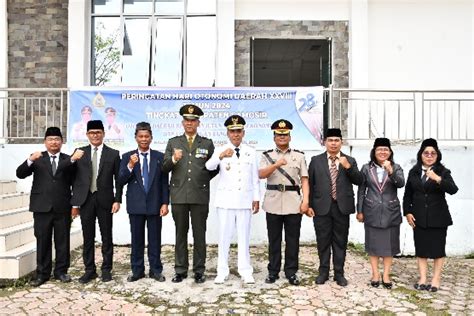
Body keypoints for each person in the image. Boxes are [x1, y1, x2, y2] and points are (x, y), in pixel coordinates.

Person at [16, 127, 84, 287]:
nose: (54, 142)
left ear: (62, 141)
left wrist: (75, 204)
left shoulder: (70, 159)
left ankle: (61, 271)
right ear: (45, 142)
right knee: (43, 240)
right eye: (50, 139)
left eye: (57, 139)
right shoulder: (38, 158)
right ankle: (42, 274)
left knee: (62, 241)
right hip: (41, 207)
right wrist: (30, 160)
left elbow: (76, 183)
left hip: (63, 207)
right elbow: (20, 173)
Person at [162, 104, 216, 284]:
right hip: (179, 195)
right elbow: (164, 168)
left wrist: (203, 179)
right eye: (187, 120)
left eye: (193, 120)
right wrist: (173, 159)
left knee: (199, 234)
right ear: (182, 122)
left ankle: (199, 270)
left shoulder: (207, 143)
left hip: (200, 195)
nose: (190, 123)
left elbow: (214, 167)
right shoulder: (173, 142)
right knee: (180, 233)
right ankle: (180, 269)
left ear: (198, 123)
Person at [205, 115, 260, 284]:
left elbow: (255, 178)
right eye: (232, 131)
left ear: (243, 133)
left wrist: (256, 198)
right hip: (226, 201)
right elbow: (208, 167)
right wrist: (221, 155)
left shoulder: (250, 152)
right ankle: (222, 271)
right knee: (224, 237)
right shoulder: (220, 149)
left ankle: (245, 270)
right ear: (227, 133)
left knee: (244, 236)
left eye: (238, 131)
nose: (235, 134)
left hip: (244, 200)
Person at [308, 128, 363, 286]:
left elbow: (359, 180)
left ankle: (339, 273)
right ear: (325, 142)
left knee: (340, 241)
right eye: (330, 140)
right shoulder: (316, 160)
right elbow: (311, 184)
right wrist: (309, 205)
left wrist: (348, 167)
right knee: (323, 241)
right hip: (321, 207)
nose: (333, 143)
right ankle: (323, 272)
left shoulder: (349, 160)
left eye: (336, 140)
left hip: (341, 207)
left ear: (341, 142)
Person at [258, 119, 310, 286]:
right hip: (273, 201)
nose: (282, 137)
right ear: (274, 137)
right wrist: (277, 164)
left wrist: (306, 201)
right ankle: (273, 271)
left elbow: (304, 180)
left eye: (285, 134)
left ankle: (291, 271)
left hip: (293, 202)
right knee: (274, 239)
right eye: (279, 135)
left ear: (289, 136)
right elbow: (261, 174)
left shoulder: (299, 156)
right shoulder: (267, 156)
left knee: (292, 239)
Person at [403, 138, 458, 292]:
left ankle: (436, 279)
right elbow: (408, 195)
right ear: (421, 154)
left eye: (433, 153)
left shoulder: (443, 172)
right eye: (426, 152)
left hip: (438, 217)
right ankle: (422, 278)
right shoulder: (413, 172)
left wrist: (438, 179)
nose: (429, 155)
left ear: (437, 155)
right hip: (418, 218)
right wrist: (407, 212)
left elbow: (453, 189)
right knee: (421, 249)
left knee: (438, 250)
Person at [70, 120, 123, 283]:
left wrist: (117, 199)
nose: (95, 135)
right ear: (87, 135)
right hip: (86, 200)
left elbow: (118, 179)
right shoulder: (80, 153)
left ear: (103, 134)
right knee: (88, 237)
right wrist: (75, 204)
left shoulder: (113, 153)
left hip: (105, 200)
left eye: (98, 132)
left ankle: (106, 269)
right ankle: (89, 270)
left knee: (107, 236)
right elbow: (73, 179)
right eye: (92, 133)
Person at [118, 122, 170, 282]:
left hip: (155, 204)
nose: (144, 139)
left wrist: (165, 203)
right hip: (136, 205)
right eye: (140, 136)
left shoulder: (159, 157)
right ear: (135, 138)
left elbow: (163, 182)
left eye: (146, 136)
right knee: (137, 240)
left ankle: (155, 270)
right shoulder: (127, 156)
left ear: (151, 138)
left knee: (155, 240)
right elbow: (120, 180)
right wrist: (130, 165)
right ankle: (137, 270)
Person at [356, 138, 405, 289]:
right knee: (373, 245)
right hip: (371, 210)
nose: (382, 152)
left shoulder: (396, 167)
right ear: (374, 152)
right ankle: (375, 274)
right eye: (379, 150)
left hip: (391, 212)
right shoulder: (366, 168)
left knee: (389, 246)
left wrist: (390, 171)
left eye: (386, 150)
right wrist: (360, 210)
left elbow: (400, 183)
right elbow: (361, 190)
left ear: (390, 152)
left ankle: (386, 274)